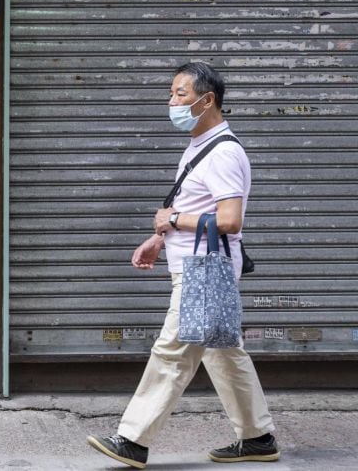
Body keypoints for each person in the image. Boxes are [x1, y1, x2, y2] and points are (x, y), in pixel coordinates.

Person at [86, 62, 279, 468]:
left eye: (180, 94)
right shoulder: (201, 145)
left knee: (171, 353)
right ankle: (258, 438)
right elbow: (197, 208)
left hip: (203, 273)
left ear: (206, 100)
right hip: (194, 265)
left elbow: (229, 220)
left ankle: (133, 440)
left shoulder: (224, 152)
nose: (171, 102)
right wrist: (161, 237)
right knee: (223, 354)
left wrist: (171, 221)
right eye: (172, 93)